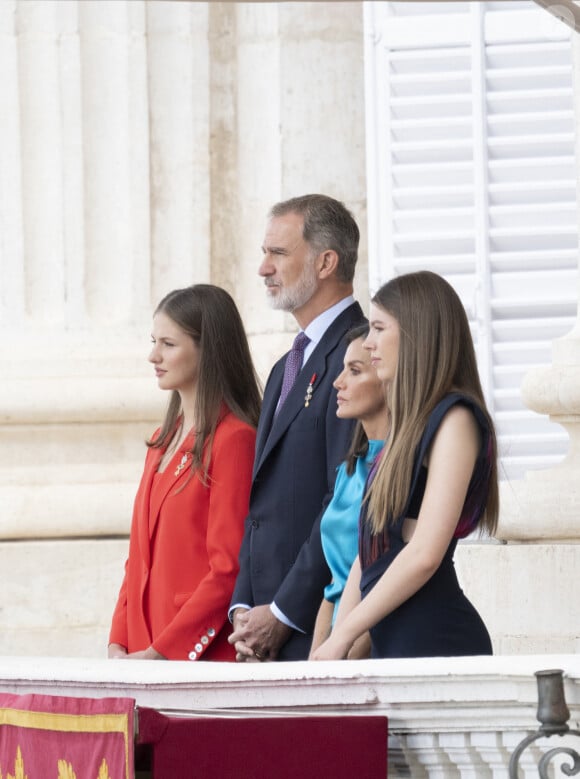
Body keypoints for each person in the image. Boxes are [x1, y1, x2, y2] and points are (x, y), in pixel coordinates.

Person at [312, 270, 499, 660]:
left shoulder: (456, 418)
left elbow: (424, 554)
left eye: (379, 328)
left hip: (437, 643)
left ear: (416, 334)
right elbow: (370, 553)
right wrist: (336, 645)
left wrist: (344, 636)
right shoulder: (404, 429)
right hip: (393, 647)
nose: (369, 342)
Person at [228, 194, 366, 661]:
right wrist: (243, 607)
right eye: (264, 253)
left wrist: (284, 613)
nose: (263, 268)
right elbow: (261, 501)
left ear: (326, 262)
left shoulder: (361, 354)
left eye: (278, 253)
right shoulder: (286, 364)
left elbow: (343, 499)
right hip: (261, 630)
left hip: (316, 628)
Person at [108, 284, 261, 661]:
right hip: (142, 650)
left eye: (169, 344)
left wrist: (162, 652)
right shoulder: (162, 439)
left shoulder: (234, 438)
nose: (153, 355)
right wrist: (118, 641)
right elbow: (137, 558)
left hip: (195, 655)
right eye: (153, 341)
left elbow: (227, 567)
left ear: (208, 350)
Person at [309, 325, 389, 660]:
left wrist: (342, 659)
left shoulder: (397, 469)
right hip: (335, 643)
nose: (337, 382)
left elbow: (380, 585)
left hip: (370, 645)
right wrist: (314, 661)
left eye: (354, 371)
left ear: (388, 379)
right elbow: (333, 587)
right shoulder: (349, 469)